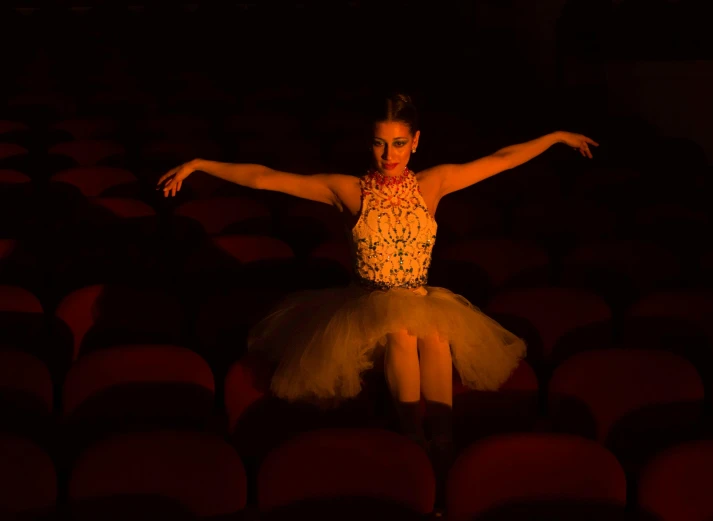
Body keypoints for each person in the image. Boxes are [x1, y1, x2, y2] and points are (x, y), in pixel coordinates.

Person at [156, 92, 598, 473]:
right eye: (380, 143)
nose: (389, 155)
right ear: (370, 142)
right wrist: (199, 163)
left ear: (416, 142)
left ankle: (443, 445)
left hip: (424, 300)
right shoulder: (348, 190)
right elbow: (267, 177)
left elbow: (499, 160)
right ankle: (414, 444)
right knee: (404, 334)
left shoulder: (434, 183)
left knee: (437, 334)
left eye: (400, 144)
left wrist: (555, 137)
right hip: (368, 305)